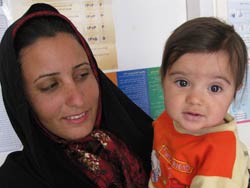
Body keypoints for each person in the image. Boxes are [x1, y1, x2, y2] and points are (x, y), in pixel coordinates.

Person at [0, 3, 153, 187]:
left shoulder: (151, 143)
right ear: (22, 99)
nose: (78, 99)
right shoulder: (15, 181)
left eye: (82, 75)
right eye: (50, 86)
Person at [149, 17, 250, 188]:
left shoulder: (220, 159)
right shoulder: (168, 119)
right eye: (183, 83)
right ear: (162, 78)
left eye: (215, 88)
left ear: (235, 90)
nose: (195, 99)